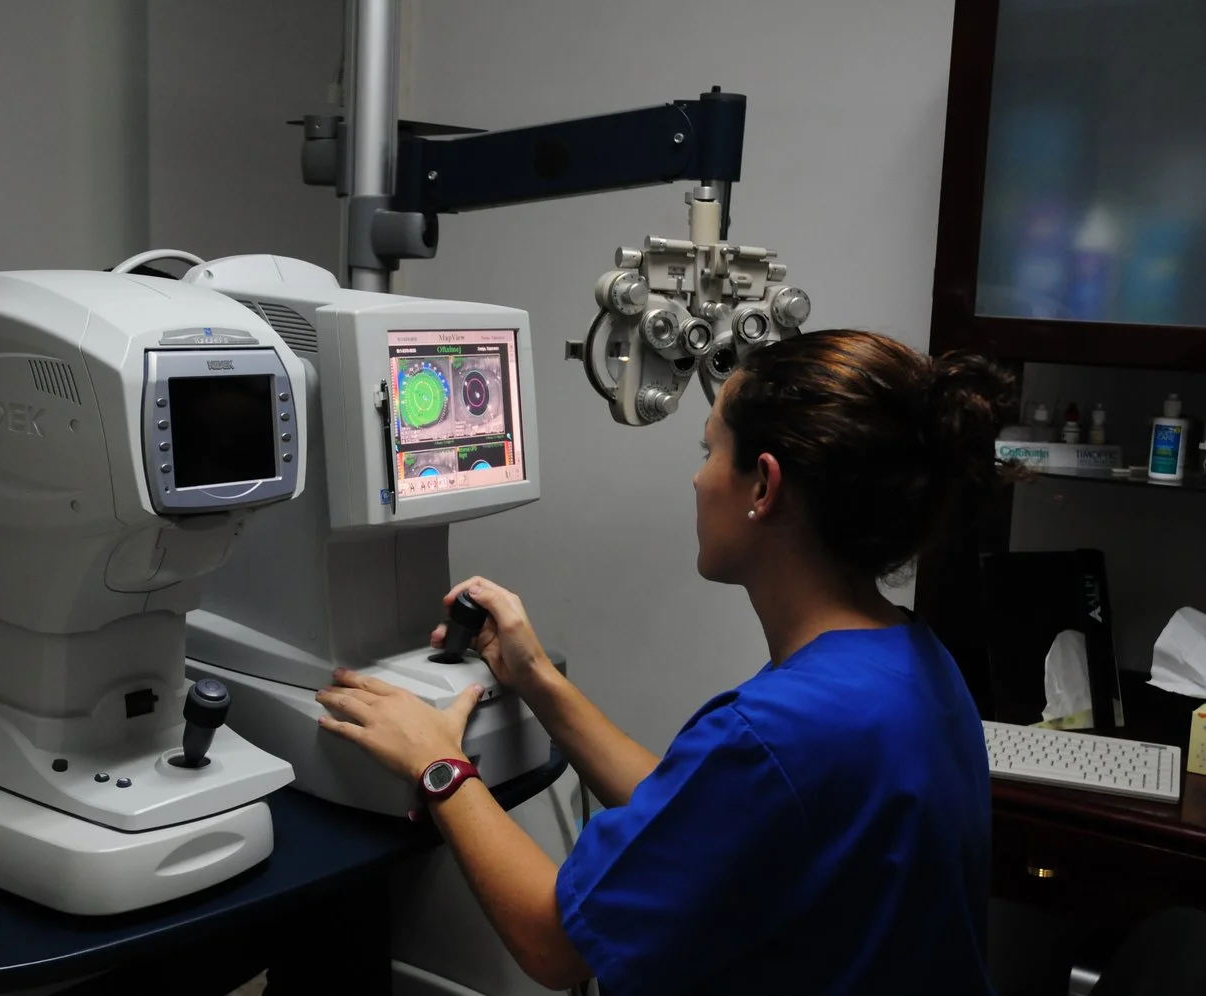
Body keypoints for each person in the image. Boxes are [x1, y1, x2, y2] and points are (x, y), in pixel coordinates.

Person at [314, 329, 1010, 995]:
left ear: (763, 487)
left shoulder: (779, 733)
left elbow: (553, 944)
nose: (698, 479)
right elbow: (699, 819)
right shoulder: (911, 663)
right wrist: (536, 678)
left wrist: (438, 764)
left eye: (710, 450)